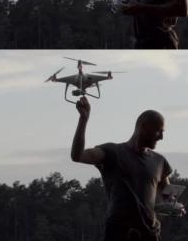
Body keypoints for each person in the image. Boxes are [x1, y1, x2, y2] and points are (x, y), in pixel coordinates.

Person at [71, 97, 172, 241]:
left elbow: (168, 196)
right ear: (144, 127)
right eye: (158, 131)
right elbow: (77, 155)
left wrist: (174, 206)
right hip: (117, 233)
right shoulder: (112, 152)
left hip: (149, 235)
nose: (161, 137)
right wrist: (83, 120)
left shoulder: (159, 161)